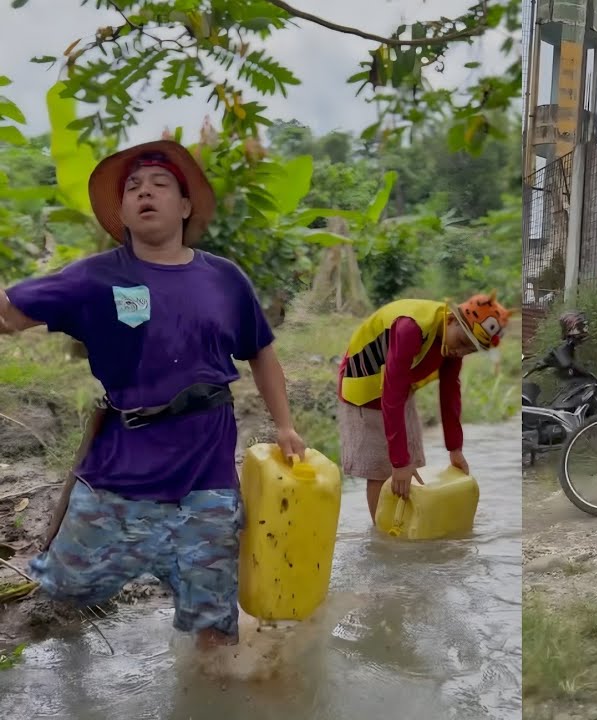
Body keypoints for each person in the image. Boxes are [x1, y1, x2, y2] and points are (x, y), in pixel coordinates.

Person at [0, 140, 305, 649]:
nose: (145, 192)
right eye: (134, 188)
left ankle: (212, 688)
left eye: (160, 185)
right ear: (121, 212)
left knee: (212, 611)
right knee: (70, 585)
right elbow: (9, 314)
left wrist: (285, 425)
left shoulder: (224, 279)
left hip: (205, 464)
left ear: (185, 206)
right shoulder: (95, 277)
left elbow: (263, 352)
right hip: (120, 461)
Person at [337, 293, 509, 520]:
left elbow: (450, 392)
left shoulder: (452, 343)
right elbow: (390, 393)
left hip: (400, 391)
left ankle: (404, 528)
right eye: (463, 343)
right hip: (364, 388)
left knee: (413, 466)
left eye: (471, 350)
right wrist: (398, 463)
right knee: (381, 471)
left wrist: (455, 448)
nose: (462, 352)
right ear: (451, 320)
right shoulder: (411, 329)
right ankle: (382, 540)